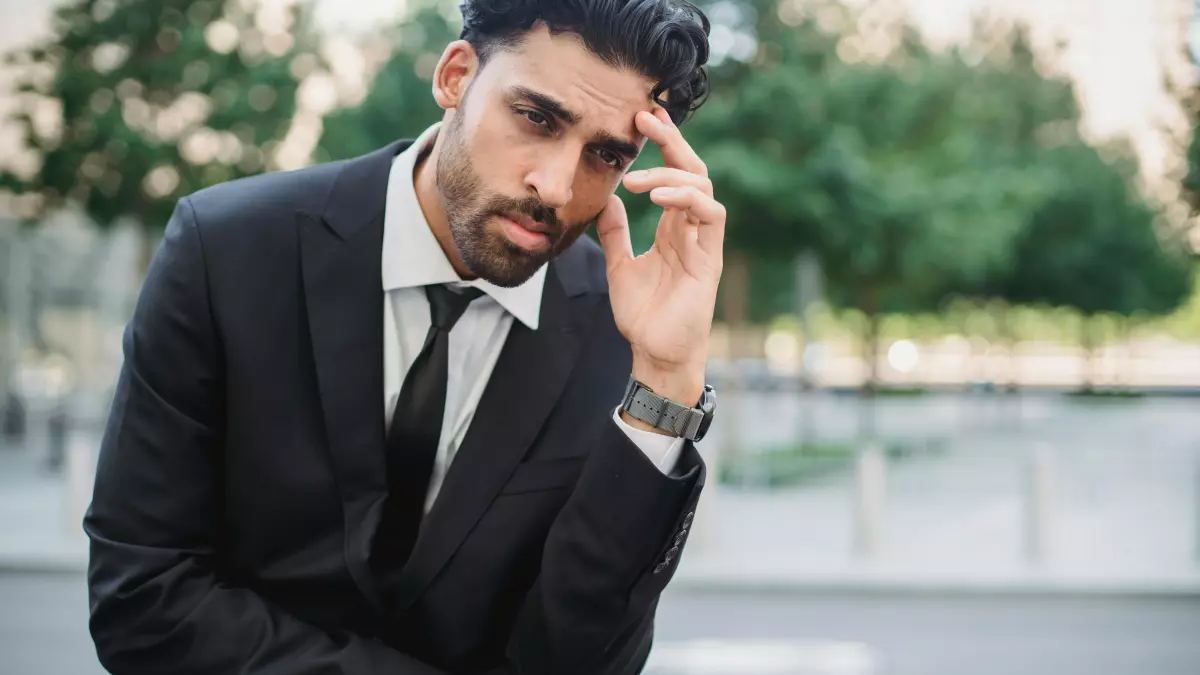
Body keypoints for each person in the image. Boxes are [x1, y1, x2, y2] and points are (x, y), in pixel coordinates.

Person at [84, 1, 725, 673]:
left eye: (606, 155)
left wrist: (663, 380)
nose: (556, 187)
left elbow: (581, 660)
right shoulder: (226, 250)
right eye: (537, 118)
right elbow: (143, 595)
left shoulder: (620, 327)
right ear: (455, 75)